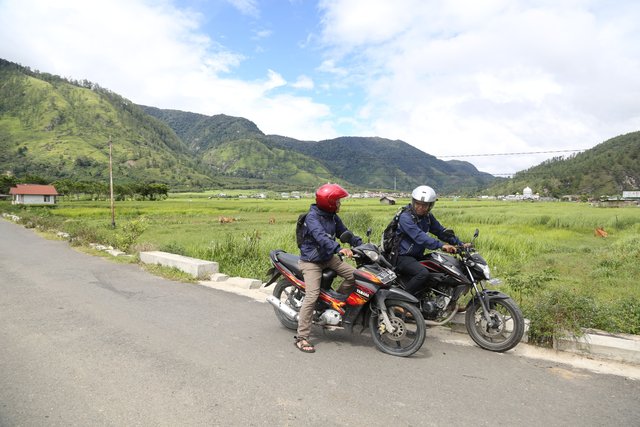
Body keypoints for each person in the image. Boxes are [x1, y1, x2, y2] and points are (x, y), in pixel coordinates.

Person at [294, 183, 362, 353]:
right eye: (338, 201)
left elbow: (344, 233)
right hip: (311, 261)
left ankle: (335, 303)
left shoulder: (332, 216)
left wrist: (360, 244)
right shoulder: (312, 218)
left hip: (328, 257)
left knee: (357, 276)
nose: (340, 204)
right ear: (329, 202)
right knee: (312, 295)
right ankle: (302, 337)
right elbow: (321, 237)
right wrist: (338, 249)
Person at [394, 185, 469, 296]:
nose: (420, 207)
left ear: (430, 206)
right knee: (422, 273)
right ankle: (400, 300)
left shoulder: (428, 217)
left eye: (424, 205)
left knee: (441, 270)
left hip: (417, 255)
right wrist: (441, 245)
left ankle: (447, 302)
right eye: (418, 203)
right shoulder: (405, 217)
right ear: (413, 202)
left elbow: (440, 231)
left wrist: (460, 244)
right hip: (400, 256)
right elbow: (419, 236)